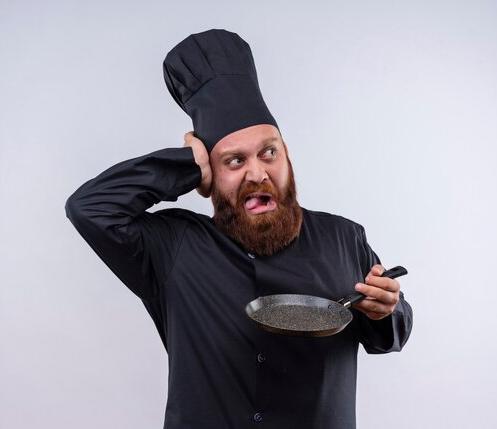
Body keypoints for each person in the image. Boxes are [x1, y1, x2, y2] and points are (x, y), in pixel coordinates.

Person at [66, 29, 413, 429]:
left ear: (287, 156)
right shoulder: (173, 246)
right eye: (233, 161)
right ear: (210, 175)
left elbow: (391, 335)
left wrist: (387, 309)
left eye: (269, 152)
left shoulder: (344, 238)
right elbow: (88, 208)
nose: (257, 173)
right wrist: (184, 165)